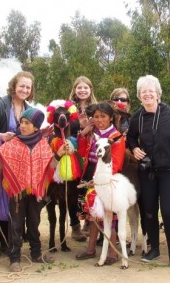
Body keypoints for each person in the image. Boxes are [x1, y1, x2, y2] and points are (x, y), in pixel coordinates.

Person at [127, 75, 170, 268]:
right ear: (139, 96)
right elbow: (130, 139)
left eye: (150, 91)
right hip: (147, 172)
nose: (147, 94)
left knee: (169, 212)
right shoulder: (137, 118)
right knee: (149, 212)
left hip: (169, 171)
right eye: (143, 92)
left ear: (158, 93)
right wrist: (135, 149)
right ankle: (154, 249)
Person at [0, 108, 55, 272]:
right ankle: (14, 258)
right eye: (21, 122)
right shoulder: (12, 144)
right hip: (17, 192)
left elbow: (50, 165)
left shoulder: (43, 144)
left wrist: (59, 154)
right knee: (15, 225)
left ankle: (36, 253)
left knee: (34, 222)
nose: (22, 126)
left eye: (27, 123)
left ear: (36, 127)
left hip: (35, 191)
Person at [0, 71, 36, 257]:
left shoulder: (28, 108)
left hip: (17, 162)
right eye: (21, 86)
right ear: (14, 86)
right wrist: (0, 136)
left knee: (12, 200)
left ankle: (7, 242)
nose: (24, 89)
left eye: (28, 87)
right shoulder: (0, 104)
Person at [75, 102, 126, 265]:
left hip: (106, 178)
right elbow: (82, 152)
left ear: (111, 118)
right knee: (93, 215)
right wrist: (84, 133)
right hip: (90, 175)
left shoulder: (116, 137)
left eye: (103, 116)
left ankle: (113, 252)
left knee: (107, 215)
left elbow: (116, 162)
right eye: (96, 117)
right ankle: (90, 249)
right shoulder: (92, 134)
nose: (99, 120)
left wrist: (100, 179)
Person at [68, 76, 97, 239]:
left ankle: (88, 222)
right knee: (73, 190)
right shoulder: (69, 108)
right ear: (74, 90)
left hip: (91, 154)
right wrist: (82, 132)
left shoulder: (96, 108)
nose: (82, 90)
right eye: (79, 87)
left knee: (89, 187)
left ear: (90, 89)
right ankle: (75, 225)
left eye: (85, 87)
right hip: (72, 153)